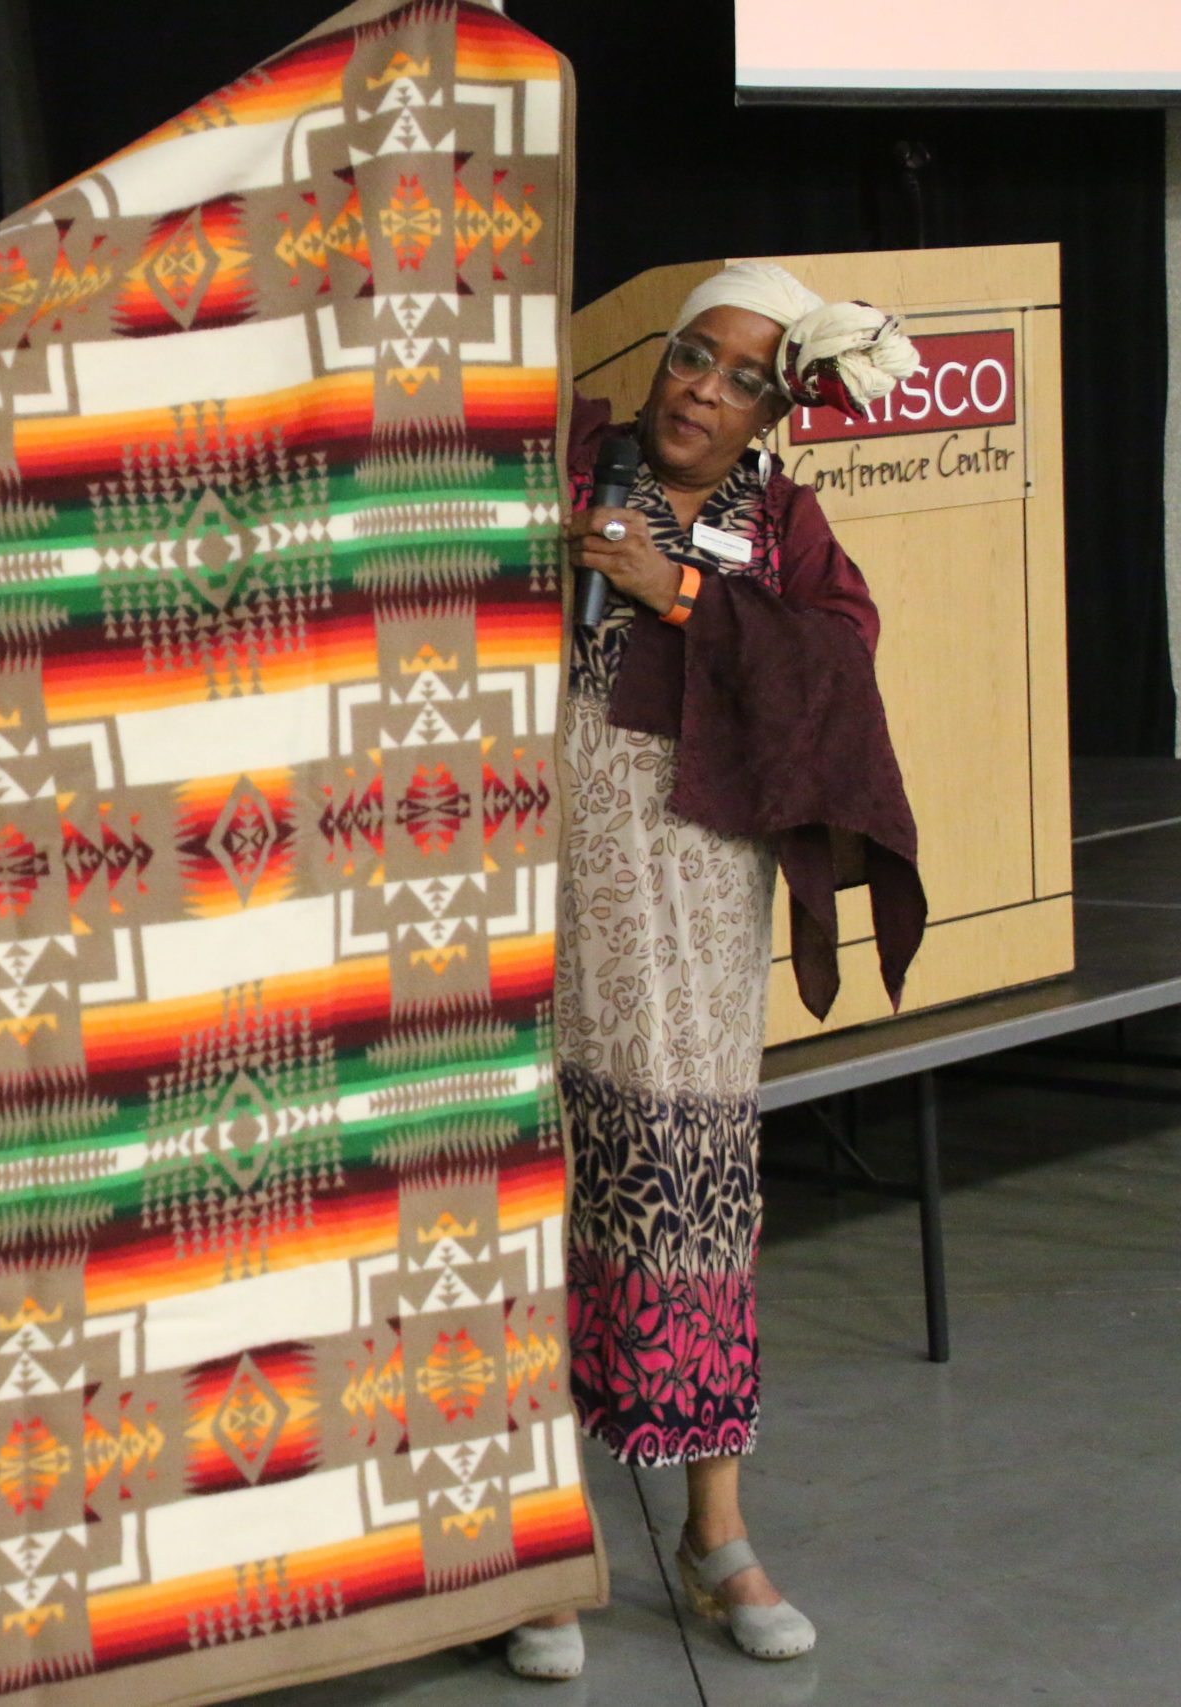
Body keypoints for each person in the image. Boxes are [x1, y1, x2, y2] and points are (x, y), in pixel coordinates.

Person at [508, 263, 922, 1681]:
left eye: (746, 376)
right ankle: (546, 1536)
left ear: (776, 408)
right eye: (695, 356)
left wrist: (675, 592)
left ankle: (713, 1530)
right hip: (530, 884)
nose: (703, 389)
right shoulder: (559, 461)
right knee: (533, 1188)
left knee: (684, 1187)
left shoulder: (783, 525)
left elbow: (841, 664)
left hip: (690, 893)